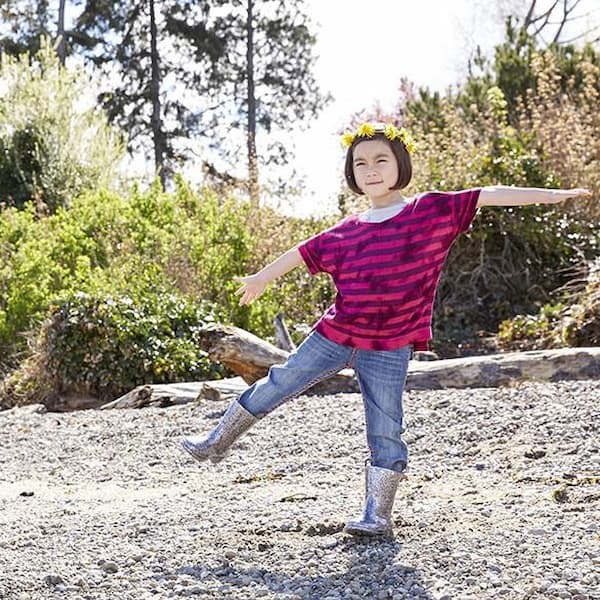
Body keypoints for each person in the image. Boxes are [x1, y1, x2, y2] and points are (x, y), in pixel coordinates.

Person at [181, 121, 592, 537]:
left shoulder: (429, 211)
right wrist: (261, 277)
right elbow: (301, 252)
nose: (371, 169)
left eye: (381, 159)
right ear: (351, 172)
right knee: (279, 380)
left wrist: (553, 196)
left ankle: (377, 515)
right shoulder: (346, 231)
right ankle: (217, 441)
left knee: (385, 423)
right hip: (335, 334)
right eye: (360, 163)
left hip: (389, 345)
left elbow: (488, 194)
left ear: (401, 165)